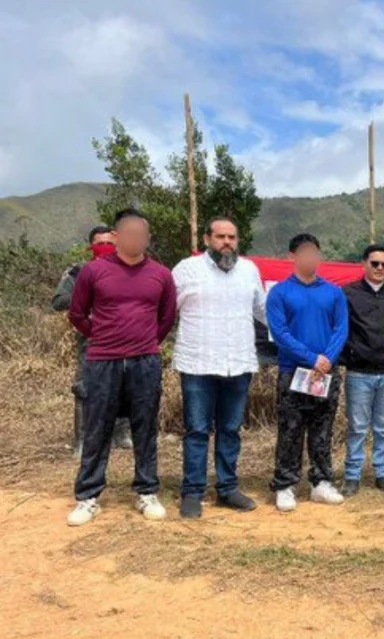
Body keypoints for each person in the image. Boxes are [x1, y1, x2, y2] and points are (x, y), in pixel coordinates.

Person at [66, 208, 177, 526]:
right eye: (129, 233)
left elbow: (166, 318)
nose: (136, 239)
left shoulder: (160, 274)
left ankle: (146, 491)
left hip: (145, 362)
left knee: (145, 428)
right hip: (102, 361)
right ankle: (88, 497)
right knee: (97, 428)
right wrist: (102, 337)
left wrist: (143, 342)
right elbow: (77, 314)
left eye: (142, 234)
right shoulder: (94, 271)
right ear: (115, 236)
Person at [171, 216, 266, 519]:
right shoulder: (186, 269)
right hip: (198, 363)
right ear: (207, 239)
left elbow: (263, 311)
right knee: (197, 430)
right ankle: (192, 492)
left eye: (232, 237)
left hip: (238, 362)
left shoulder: (249, 270)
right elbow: (163, 310)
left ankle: (227, 488)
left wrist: (299, 334)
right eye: (220, 236)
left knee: (230, 430)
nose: (226, 242)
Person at [266, 234, 349, 511]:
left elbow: (341, 329)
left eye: (315, 252)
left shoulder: (334, 292)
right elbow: (280, 333)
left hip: (326, 373)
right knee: (290, 429)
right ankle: (285, 484)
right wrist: (311, 358)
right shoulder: (279, 293)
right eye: (304, 252)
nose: (310, 257)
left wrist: (326, 360)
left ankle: (321, 482)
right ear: (292, 256)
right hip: (294, 372)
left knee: (323, 427)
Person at [51, 224, 132, 457]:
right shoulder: (78, 271)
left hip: (126, 337)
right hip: (91, 339)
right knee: (85, 388)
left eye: (110, 242)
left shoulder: (130, 268)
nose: (106, 247)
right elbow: (58, 301)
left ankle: (121, 436)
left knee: (125, 385)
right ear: (91, 246)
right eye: (100, 243)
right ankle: (83, 441)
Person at [340, 244, 384, 495]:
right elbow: (340, 329)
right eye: (375, 263)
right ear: (364, 263)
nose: (379, 268)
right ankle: (352, 475)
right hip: (358, 372)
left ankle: (383, 473)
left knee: (383, 426)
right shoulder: (348, 293)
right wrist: (349, 354)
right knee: (356, 427)